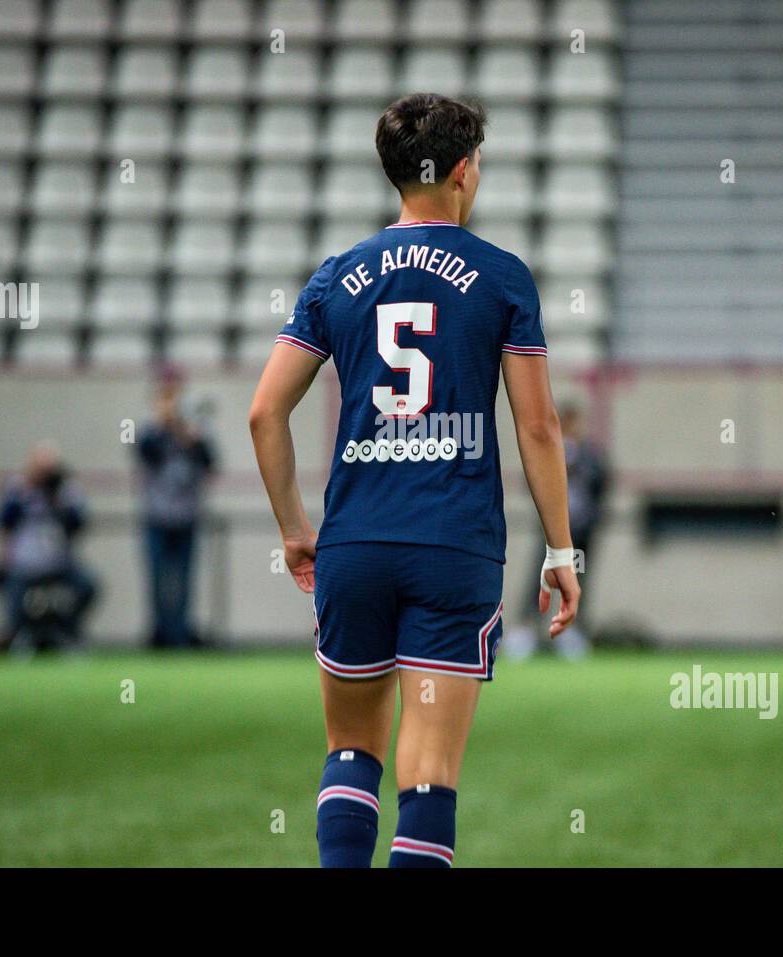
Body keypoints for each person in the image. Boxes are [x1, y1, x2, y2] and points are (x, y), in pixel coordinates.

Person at [249, 93, 580, 868]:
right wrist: (562, 550)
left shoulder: (338, 276)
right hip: (454, 547)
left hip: (355, 543)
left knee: (351, 749)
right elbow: (538, 426)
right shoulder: (502, 278)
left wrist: (297, 529)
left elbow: (265, 412)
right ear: (463, 171)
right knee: (428, 776)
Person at [506, 401, 609, 659]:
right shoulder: (551, 451)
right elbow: (530, 480)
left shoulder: (589, 455)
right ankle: (527, 630)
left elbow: (602, 484)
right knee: (539, 581)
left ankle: (571, 632)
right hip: (551, 533)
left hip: (580, 534)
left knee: (578, 579)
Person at [135, 372, 218, 648]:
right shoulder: (150, 433)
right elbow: (147, 453)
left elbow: (210, 463)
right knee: (157, 579)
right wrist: (166, 426)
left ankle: (180, 634)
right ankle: (159, 633)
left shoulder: (193, 432)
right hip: (156, 518)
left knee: (184, 579)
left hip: (186, 517)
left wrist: (190, 437)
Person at [0, 441, 96, 647]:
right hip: (24, 565)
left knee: (87, 586)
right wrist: (27, 494)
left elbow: (80, 524)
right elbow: (3, 521)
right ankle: (18, 636)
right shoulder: (17, 488)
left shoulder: (65, 491)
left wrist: (58, 501)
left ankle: (64, 630)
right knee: (13, 595)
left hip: (59, 563)